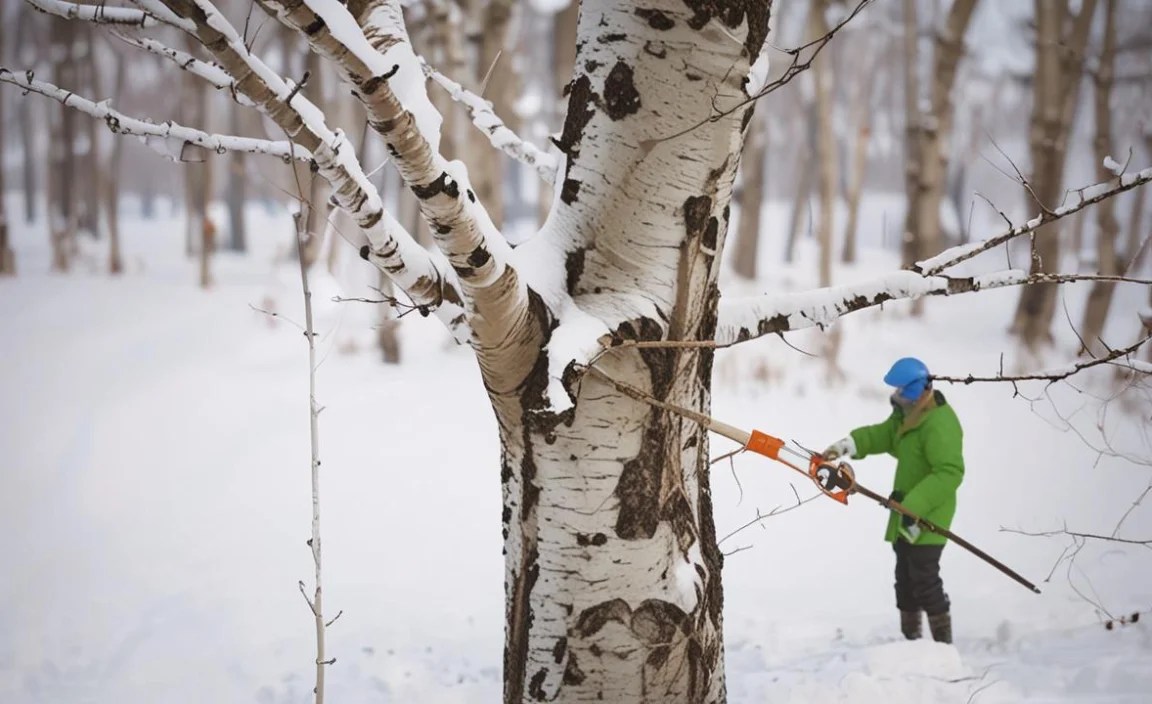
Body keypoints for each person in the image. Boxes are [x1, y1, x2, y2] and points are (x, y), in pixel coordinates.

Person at [823, 357, 964, 644]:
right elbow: (886, 435)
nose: (896, 394)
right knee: (905, 582)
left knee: (925, 581)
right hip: (906, 511)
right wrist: (849, 445)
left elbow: (950, 473)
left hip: (930, 516)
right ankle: (911, 643)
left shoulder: (940, 423)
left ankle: (943, 647)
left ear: (915, 388)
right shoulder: (908, 414)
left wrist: (915, 507)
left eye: (901, 389)